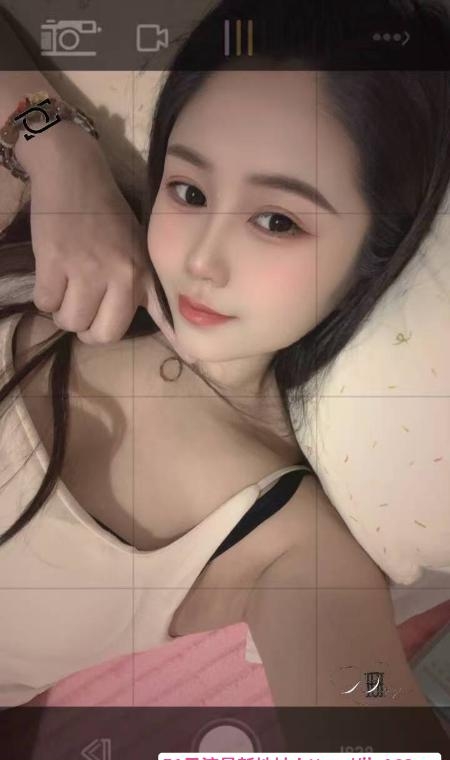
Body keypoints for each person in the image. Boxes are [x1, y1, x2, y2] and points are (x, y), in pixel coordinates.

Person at [0, 0, 449, 711]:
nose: (201, 260)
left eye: (276, 220)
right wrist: (60, 153)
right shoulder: (67, 236)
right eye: (189, 190)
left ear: (375, 254)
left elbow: (363, 712)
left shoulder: (290, 547)